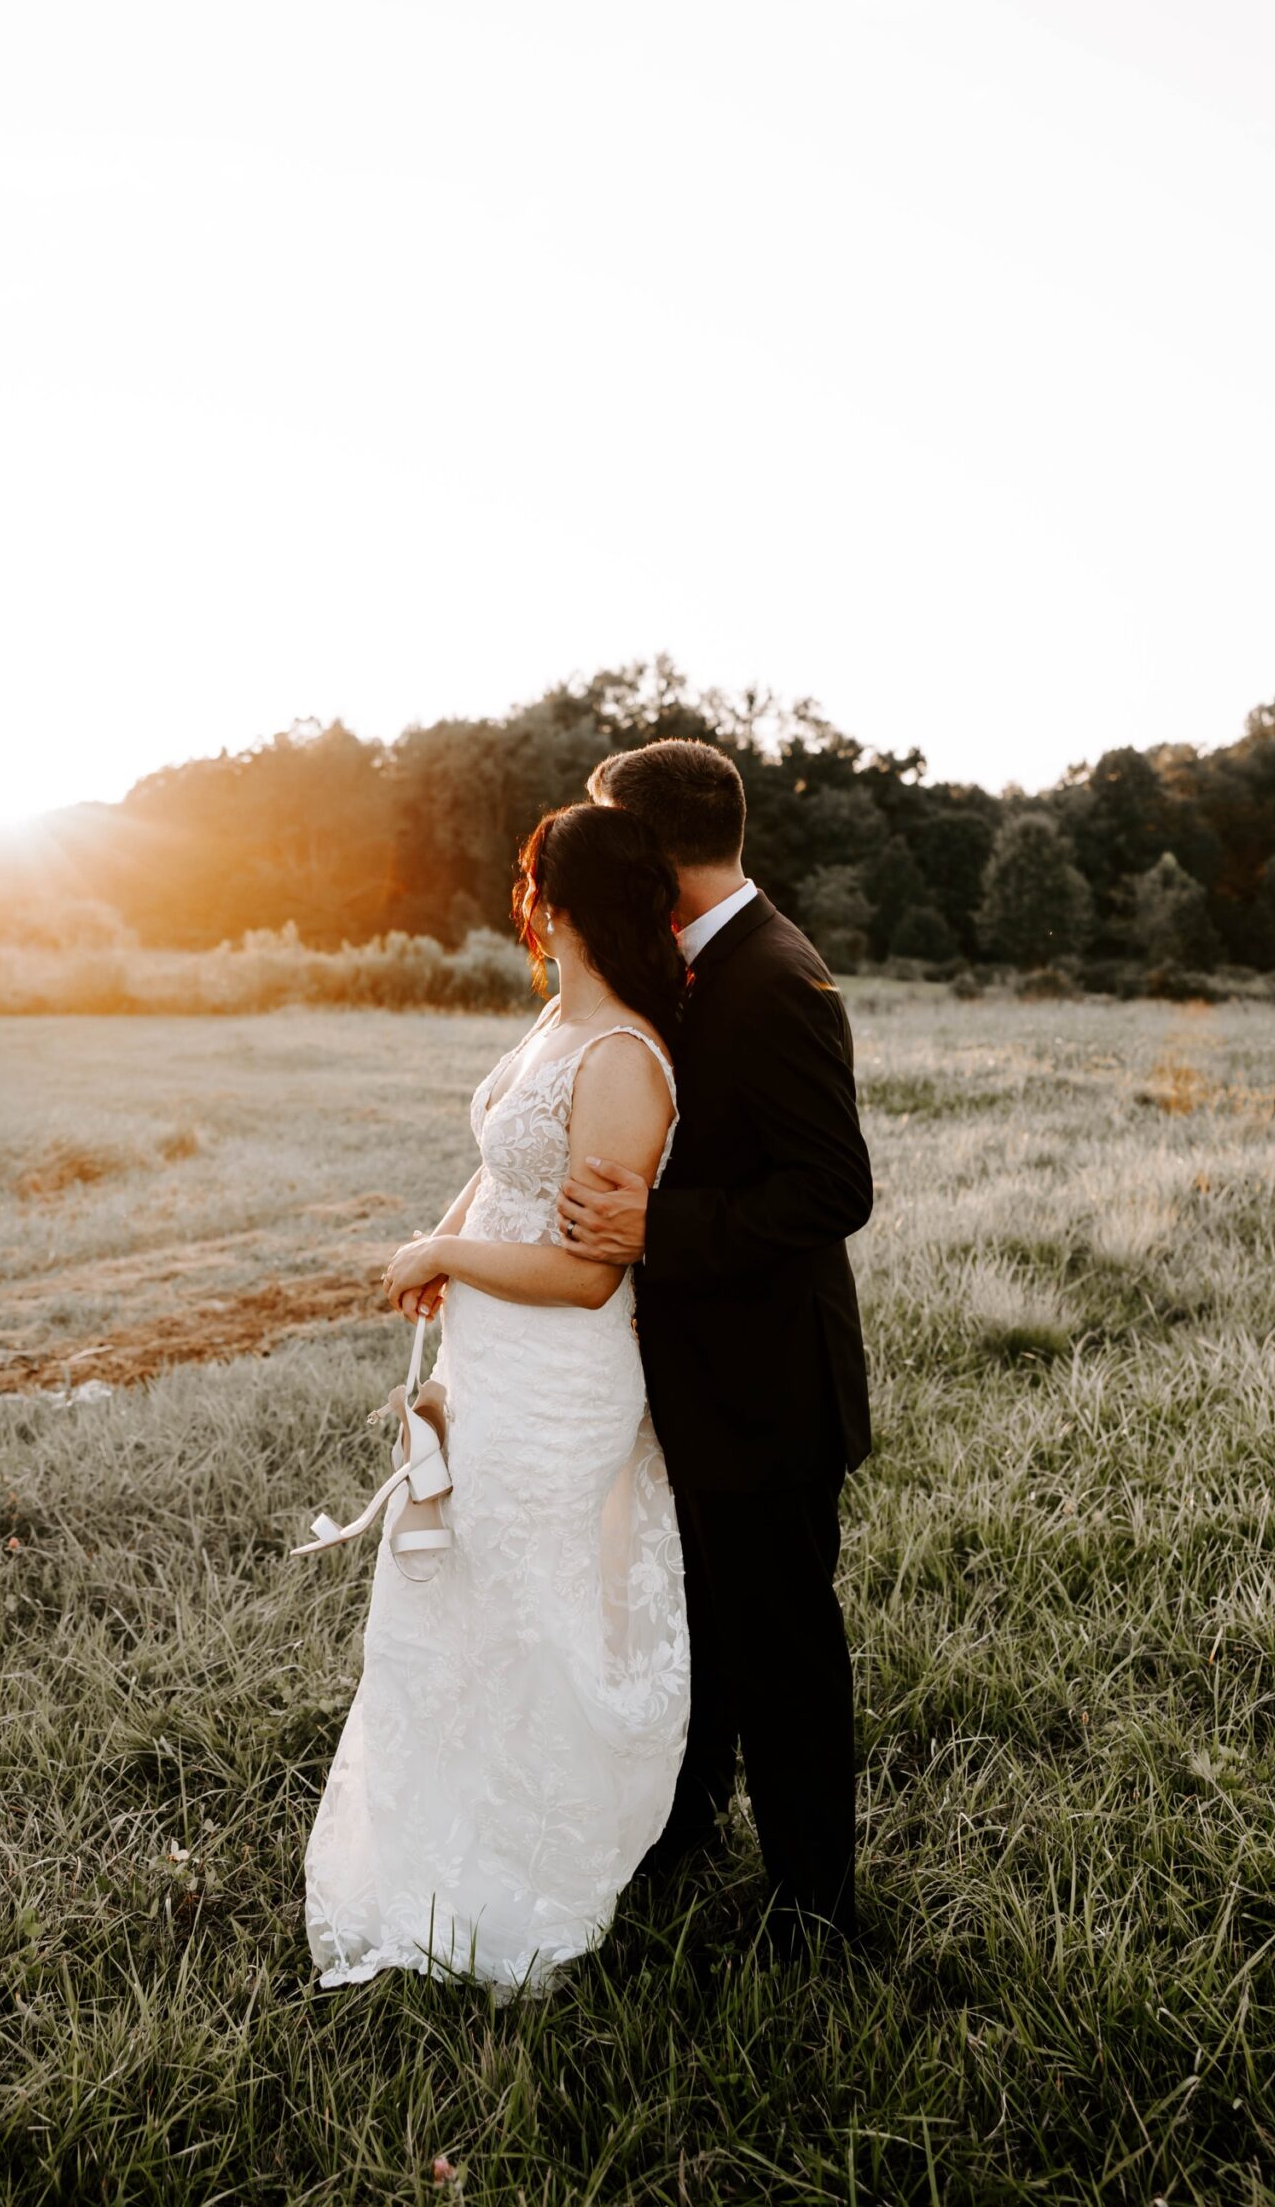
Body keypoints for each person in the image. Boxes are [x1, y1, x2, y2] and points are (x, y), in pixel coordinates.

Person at [302, 802, 689, 1998]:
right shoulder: (552, 1024)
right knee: (468, 1607)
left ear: (553, 903)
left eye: (527, 885)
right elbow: (499, 1167)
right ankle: (437, 1858)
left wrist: (445, 1260)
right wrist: (446, 1232)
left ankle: (538, 1884)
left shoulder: (622, 1056)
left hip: (560, 1382)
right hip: (489, 1366)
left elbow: (585, 1276)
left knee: (540, 1614)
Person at [560, 738, 873, 1947]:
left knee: (783, 1649)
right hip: (701, 1378)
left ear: (647, 847)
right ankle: (683, 1829)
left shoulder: (771, 975)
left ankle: (815, 1907)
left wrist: (658, 1226)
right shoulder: (693, 964)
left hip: (769, 1389)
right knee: (703, 1627)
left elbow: (831, 1186)